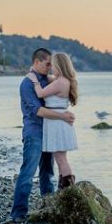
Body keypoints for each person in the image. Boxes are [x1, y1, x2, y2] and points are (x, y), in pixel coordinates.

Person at [9, 48, 75, 223]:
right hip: (34, 133)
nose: (50, 68)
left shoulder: (48, 80)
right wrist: (62, 115)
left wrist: (63, 111)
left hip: (49, 132)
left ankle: (49, 206)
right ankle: (18, 214)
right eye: (47, 65)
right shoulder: (26, 84)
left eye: (52, 65)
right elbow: (36, 110)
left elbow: (61, 89)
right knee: (28, 174)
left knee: (47, 173)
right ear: (36, 62)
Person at [26, 52, 79, 189]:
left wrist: (33, 79)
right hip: (58, 120)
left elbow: (40, 93)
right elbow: (49, 79)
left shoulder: (60, 82)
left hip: (57, 122)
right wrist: (37, 72)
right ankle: (65, 189)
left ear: (59, 66)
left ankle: (67, 190)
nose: (51, 68)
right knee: (61, 158)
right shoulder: (62, 80)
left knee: (60, 159)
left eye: (53, 65)